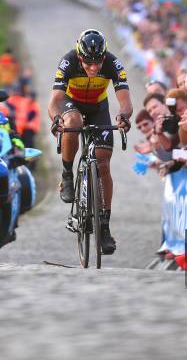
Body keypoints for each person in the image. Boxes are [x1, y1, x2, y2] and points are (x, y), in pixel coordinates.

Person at [48, 29, 132, 255]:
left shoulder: (113, 63)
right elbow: (54, 101)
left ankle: (104, 226)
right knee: (72, 121)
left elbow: (125, 100)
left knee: (103, 162)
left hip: (98, 108)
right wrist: (57, 119)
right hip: (71, 104)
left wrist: (124, 116)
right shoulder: (68, 62)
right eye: (88, 64)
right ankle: (67, 174)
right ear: (80, 56)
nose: (94, 68)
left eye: (98, 63)